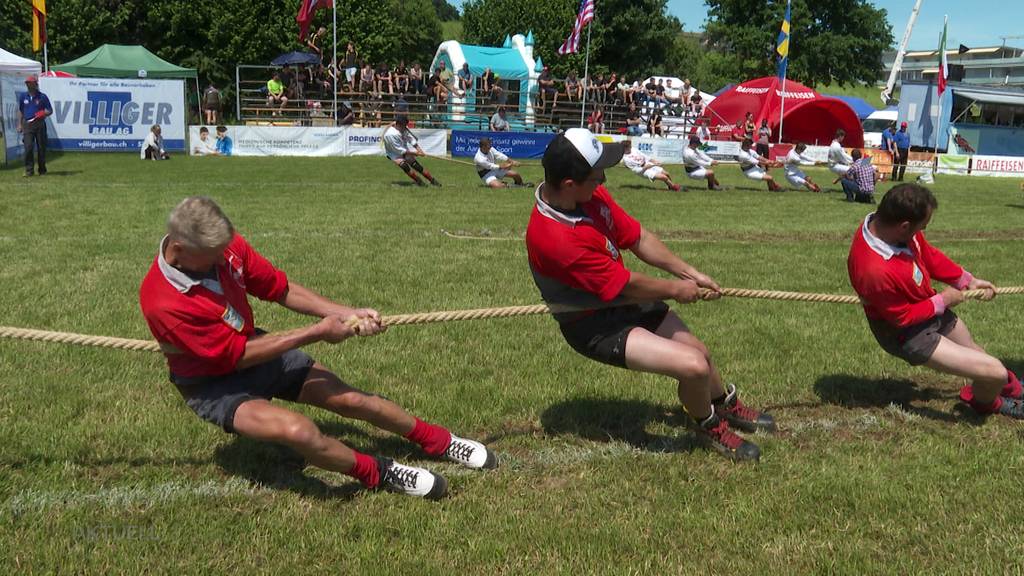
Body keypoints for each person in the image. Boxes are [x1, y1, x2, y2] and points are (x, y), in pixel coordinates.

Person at [140, 197, 497, 501]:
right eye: (214, 255)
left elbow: (280, 289)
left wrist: (345, 313)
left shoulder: (225, 248)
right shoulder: (162, 301)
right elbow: (235, 356)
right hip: (214, 384)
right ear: (180, 249)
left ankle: (439, 441)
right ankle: (379, 472)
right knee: (300, 433)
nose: (224, 259)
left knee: (353, 400)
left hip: (254, 347)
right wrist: (316, 333)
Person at [525, 128, 774, 462]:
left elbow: (637, 237)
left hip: (624, 299)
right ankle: (708, 425)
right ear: (570, 184)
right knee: (693, 367)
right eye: (598, 173)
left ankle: (723, 405)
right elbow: (624, 283)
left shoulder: (589, 197)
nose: (603, 179)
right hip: (594, 324)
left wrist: (689, 272)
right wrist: (677, 290)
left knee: (701, 352)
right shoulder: (553, 238)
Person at [847, 184, 1024, 420]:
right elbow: (902, 317)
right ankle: (987, 404)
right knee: (995, 372)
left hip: (929, 307)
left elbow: (927, 255)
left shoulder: (894, 228)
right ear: (904, 226)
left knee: (984, 360)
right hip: (906, 334)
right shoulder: (873, 270)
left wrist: (966, 280)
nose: (924, 230)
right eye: (923, 226)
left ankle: (1013, 389)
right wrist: (943, 300)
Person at [384, 116, 440, 187]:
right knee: (405, 166)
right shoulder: (390, 134)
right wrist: (415, 153)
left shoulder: (403, 129)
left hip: (403, 149)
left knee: (417, 166)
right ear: (399, 125)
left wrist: (420, 151)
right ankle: (419, 181)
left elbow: (411, 140)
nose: (406, 128)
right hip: (394, 153)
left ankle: (433, 181)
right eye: (404, 126)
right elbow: (399, 150)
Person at [16, 75, 52, 177]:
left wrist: (44, 113)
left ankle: (42, 170)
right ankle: (29, 170)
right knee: (28, 147)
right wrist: (19, 124)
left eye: (30, 83)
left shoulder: (42, 97)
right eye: (27, 83)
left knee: (41, 148)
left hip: (40, 124)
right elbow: (20, 110)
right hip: (27, 124)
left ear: (35, 84)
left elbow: (50, 110)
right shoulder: (23, 96)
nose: (28, 85)